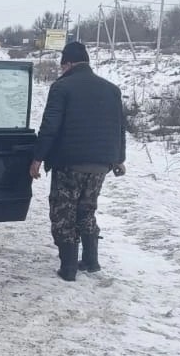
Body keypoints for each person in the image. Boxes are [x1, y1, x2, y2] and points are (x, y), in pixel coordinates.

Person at [29, 40, 127, 282]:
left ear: (68, 63)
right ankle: (91, 261)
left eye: (63, 66)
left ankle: (69, 267)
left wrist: (37, 158)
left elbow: (50, 126)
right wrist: (119, 159)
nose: (62, 70)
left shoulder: (62, 87)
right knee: (87, 211)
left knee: (64, 214)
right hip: (100, 166)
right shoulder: (111, 89)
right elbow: (119, 127)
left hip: (69, 164)